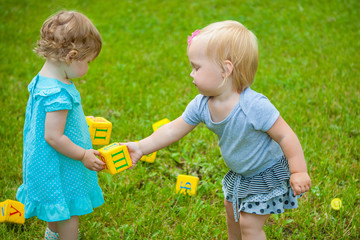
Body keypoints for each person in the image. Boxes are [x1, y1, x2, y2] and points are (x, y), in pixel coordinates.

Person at [125, 20, 311, 239]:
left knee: (249, 225)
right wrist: (140, 147)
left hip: (265, 173)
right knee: (232, 212)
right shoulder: (202, 104)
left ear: (225, 69)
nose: (191, 74)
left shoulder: (254, 105)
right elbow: (173, 130)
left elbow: (285, 134)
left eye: (196, 67)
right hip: (241, 174)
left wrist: (298, 170)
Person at [16, 11, 105, 240]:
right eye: (87, 62)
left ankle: (51, 235)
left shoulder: (44, 79)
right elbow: (54, 137)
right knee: (68, 209)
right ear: (71, 57)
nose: (87, 68)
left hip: (45, 161)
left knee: (56, 200)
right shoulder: (58, 94)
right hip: (60, 162)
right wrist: (83, 154)